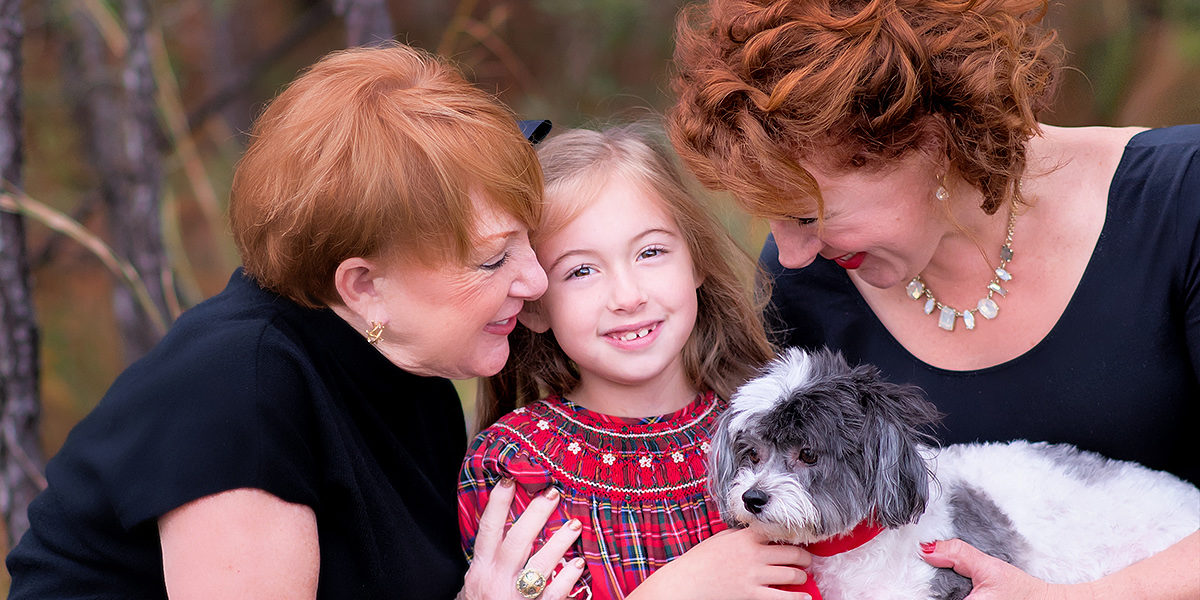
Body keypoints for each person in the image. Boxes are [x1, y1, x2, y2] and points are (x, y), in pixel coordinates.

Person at [6, 44, 582, 599]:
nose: (535, 281)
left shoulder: (408, 372)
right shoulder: (237, 388)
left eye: (528, 241)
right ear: (363, 286)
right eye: (492, 259)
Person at [667, 0, 1199, 598]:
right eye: (774, 221)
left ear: (925, 141)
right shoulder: (810, 283)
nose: (789, 254)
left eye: (808, 215)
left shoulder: (1183, 199)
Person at [457, 125, 814, 600]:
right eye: (581, 270)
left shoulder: (772, 428)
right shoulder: (516, 465)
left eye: (651, 252)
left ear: (696, 261)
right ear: (536, 303)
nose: (627, 296)